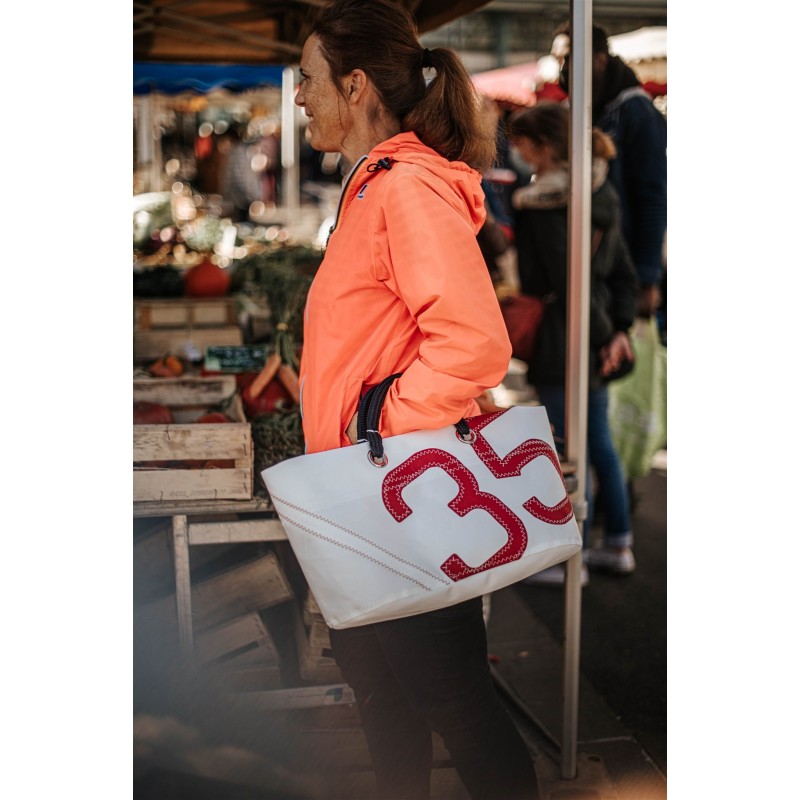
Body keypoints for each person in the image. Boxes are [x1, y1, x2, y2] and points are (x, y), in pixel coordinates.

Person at [293, 2, 539, 798]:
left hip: (399, 494)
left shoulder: (404, 189)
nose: (299, 94)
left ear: (355, 83)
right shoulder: (369, 186)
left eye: (308, 77)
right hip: (357, 494)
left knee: (453, 702)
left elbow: (475, 341)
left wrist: (382, 427)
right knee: (383, 697)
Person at [506, 102, 639, 580]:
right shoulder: (600, 190)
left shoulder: (544, 204)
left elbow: (565, 280)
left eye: (521, 143)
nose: (516, 152)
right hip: (596, 334)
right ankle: (618, 540)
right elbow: (622, 273)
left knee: (564, 447)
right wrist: (617, 331)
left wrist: (605, 335)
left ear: (542, 147)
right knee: (597, 443)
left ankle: (570, 559)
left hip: (564, 339)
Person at [555, 22, 667, 320]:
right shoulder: (577, 109)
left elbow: (653, 198)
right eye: (558, 61)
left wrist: (646, 277)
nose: (562, 69)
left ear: (599, 60)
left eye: (567, 58)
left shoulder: (636, 112)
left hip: (620, 269)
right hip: (581, 264)